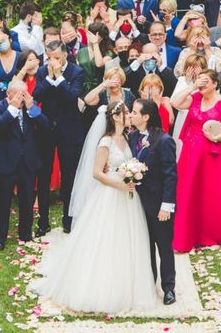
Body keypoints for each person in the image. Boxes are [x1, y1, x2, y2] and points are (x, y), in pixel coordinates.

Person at [31, 102, 158, 313]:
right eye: (126, 113)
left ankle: (128, 285)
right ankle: (101, 287)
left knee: (127, 238)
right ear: (116, 117)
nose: (129, 116)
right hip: (109, 194)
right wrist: (119, 183)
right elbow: (97, 173)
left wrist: (132, 174)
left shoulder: (128, 138)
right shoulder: (105, 141)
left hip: (128, 195)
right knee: (105, 238)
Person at [171, 69, 221, 251]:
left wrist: (215, 138)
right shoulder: (194, 99)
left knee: (212, 192)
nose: (202, 85)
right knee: (190, 189)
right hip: (191, 153)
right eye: (200, 81)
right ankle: (190, 229)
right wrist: (193, 86)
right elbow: (175, 102)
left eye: (206, 81)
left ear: (216, 84)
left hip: (214, 153)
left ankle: (213, 232)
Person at [0, 80, 49, 250]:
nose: (23, 97)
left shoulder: (31, 107)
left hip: (28, 161)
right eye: (19, 94)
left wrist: (32, 109)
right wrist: (12, 108)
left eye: (25, 93)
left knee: (27, 199)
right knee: (2, 202)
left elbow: (46, 127)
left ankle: (25, 233)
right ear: (9, 94)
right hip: (6, 161)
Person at [129, 99, 178, 304]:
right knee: (144, 245)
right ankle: (149, 283)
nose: (130, 115)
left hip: (159, 204)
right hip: (136, 203)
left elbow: (171, 175)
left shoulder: (164, 140)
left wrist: (166, 206)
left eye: (134, 112)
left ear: (146, 117)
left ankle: (169, 288)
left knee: (164, 246)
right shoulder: (131, 137)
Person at [34, 41, 85, 234]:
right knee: (44, 175)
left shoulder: (76, 72)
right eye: (49, 57)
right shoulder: (41, 72)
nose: (52, 61)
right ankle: (43, 222)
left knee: (69, 175)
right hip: (47, 128)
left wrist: (60, 77)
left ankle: (68, 218)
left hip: (69, 129)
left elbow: (72, 97)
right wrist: (48, 78)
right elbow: (37, 95)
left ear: (64, 55)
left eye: (56, 57)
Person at [171, 54, 207, 159]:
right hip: (183, 119)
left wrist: (200, 79)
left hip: (200, 120)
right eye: (191, 67)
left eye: (197, 67)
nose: (194, 71)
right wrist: (188, 82)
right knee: (181, 151)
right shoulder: (182, 80)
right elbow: (176, 103)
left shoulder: (209, 82)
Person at [76, 22, 114, 94]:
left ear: (101, 37)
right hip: (82, 88)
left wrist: (95, 43)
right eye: (89, 33)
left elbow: (99, 64)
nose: (90, 36)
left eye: (93, 34)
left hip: (100, 88)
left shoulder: (108, 53)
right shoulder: (81, 51)